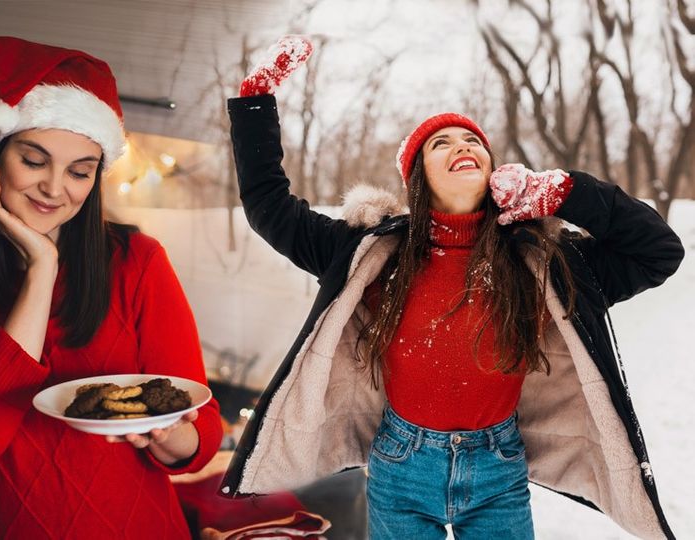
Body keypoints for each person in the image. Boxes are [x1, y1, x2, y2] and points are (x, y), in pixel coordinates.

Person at [218, 36, 683, 539]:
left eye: (473, 141)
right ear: (418, 178)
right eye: (442, 143)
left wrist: (567, 191)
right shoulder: (369, 253)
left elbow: (659, 251)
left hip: (498, 469)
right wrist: (254, 105)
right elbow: (270, 208)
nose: (463, 146)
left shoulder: (545, 261)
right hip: (400, 465)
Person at [0, 35, 222, 539]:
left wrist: (168, 434)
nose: (54, 188)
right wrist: (40, 269)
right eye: (33, 160)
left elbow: (199, 427)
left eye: (79, 171)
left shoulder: (137, 262)